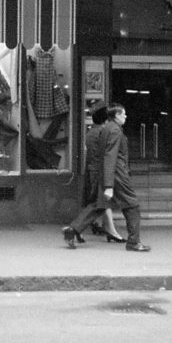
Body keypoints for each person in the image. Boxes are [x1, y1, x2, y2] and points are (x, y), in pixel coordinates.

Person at [66, 103, 149, 252]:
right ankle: (134, 242)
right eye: (123, 114)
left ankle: (73, 229)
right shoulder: (115, 131)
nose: (126, 116)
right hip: (117, 175)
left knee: (99, 205)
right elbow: (110, 156)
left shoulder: (105, 129)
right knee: (132, 206)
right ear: (116, 115)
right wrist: (109, 185)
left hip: (107, 173)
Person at [61, 101, 124, 248]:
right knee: (100, 203)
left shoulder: (91, 132)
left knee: (99, 203)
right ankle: (74, 229)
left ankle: (80, 230)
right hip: (100, 172)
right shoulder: (104, 132)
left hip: (92, 170)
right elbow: (107, 155)